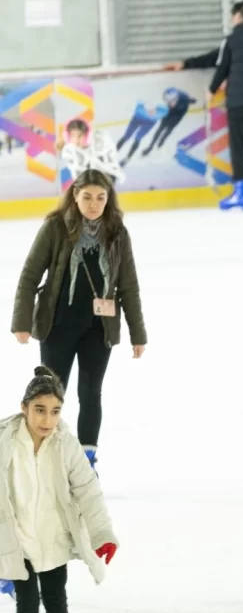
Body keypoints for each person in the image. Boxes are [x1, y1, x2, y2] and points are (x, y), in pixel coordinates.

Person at [11, 169, 147, 472]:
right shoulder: (55, 228)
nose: (94, 203)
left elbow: (128, 287)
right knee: (48, 393)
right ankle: (42, 454)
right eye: (87, 197)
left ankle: (86, 460)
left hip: (99, 330)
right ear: (75, 196)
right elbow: (30, 276)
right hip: (57, 326)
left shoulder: (117, 232)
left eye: (101, 197)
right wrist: (21, 322)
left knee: (90, 392)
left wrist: (138, 333)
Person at [0, 367, 118, 613]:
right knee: (27, 605)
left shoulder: (66, 443)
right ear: (24, 407)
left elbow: (88, 490)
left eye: (55, 411)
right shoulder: (5, 442)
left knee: (55, 600)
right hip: (19, 539)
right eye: (40, 410)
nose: (47, 419)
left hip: (53, 538)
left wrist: (102, 533)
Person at [165, 1, 243, 209]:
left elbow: (222, 67)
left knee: (238, 145)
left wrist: (211, 90)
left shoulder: (232, 40)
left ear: (239, 17)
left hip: (239, 102)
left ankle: (241, 191)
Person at [59, 119, 124, 185]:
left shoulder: (100, 141)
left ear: (87, 135)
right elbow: (76, 174)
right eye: (73, 136)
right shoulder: (68, 151)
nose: (76, 140)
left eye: (80, 135)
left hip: (106, 176)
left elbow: (111, 163)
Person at [141, 88, 197, 156]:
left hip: (179, 113)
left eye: (172, 101)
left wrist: (191, 101)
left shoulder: (184, 98)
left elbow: (192, 101)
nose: (170, 103)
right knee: (160, 128)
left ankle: (162, 139)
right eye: (168, 102)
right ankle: (150, 146)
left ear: (176, 98)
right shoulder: (170, 98)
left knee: (169, 128)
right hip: (171, 111)